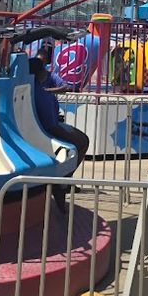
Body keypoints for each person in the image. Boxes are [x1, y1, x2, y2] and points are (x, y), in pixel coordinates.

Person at [29, 58, 90, 208]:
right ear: (40, 72)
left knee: (79, 140)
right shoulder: (41, 94)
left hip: (44, 126)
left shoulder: (37, 89)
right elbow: (51, 125)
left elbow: (65, 86)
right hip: (47, 130)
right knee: (81, 142)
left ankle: (65, 180)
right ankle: (62, 181)